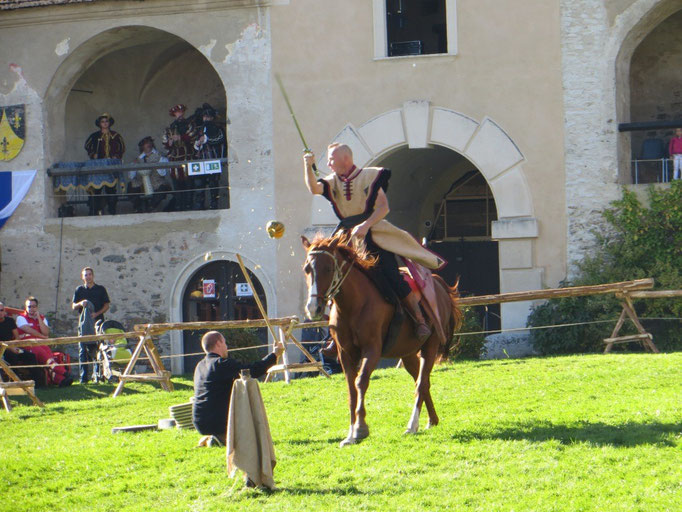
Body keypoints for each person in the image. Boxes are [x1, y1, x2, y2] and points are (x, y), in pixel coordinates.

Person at [303, 143, 447, 344]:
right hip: (346, 237)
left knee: (390, 274)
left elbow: (383, 208)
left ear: (345, 159)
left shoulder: (371, 176)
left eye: (331, 159)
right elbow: (314, 188)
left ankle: (419, 320)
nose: (328, 163)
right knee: (334, 279)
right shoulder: (332, 181)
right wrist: (308, 166)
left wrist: (365, 225)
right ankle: (333, 336)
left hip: (373, 232)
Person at [192, 331, 284, 445]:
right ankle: (219, 438)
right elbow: (251, 370)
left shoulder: (199, 366)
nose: (226, 347)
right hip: (216, 421)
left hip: (199, 422)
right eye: (225, 343)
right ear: (219, 343)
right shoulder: (221, 364)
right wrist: (274, 355)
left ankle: (214, 437)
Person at [16, 297, 72, 387]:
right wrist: (42, 337)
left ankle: (61, 380)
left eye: (34, 307)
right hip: (27, 344)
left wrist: (38, 318)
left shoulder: (42, 318)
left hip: (41, 343)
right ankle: (65, 373)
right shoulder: (21, 318)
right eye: (29, 307)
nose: (31, 309)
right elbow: (28, 330)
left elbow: (46, 332)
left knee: (50, 357)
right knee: (44, 355)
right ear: (26, 307)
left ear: (37, 307)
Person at [72, 267, 110, 384]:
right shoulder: (79, 290)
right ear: (82, 277)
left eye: (89, 274)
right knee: (83, 351)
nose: (88, 277)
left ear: (93, 276)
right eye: (85, 275)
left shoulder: (100, 289)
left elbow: (107, 305)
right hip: (83, 325)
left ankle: (97, 376)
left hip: (97, 324)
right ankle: (83, 378)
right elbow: (73, 306)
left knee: (97, 350)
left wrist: (96, 314)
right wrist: (80, 303)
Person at [84, 113, 125, 215]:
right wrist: (93, 154)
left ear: (110, 123)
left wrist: (116, 156)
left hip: (111, 166)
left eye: (106, 121)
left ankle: (112, 211)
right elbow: (87, 145)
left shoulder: (116, 135)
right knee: (97, 189)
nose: (105, 123)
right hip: (98, 166)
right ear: (99, 124)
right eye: (102, 122)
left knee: (111, 189)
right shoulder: (95, 136)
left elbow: (122, 148)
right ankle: (95, 211)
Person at [0, 301, 45, 386]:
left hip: (13, 346)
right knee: (12, 356)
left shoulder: (9, 321)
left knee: (31, 356)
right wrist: (10, 348)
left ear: (4, 311)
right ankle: (16, 383)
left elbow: (17, 337)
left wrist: (14, 347)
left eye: (2, 310)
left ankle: (38, 383)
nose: (0, 312)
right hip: (2, 350)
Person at [163, 104, 195, 211]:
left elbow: (192, 135)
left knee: (189, 183)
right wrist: (170, 142)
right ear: (174, 114)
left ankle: (189, 205)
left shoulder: (189, 124)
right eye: (177, 112)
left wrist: (180, 137)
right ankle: (178, 205)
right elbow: (165, 142)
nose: (180, 114)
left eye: (181, 112)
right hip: (175, 158)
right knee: (177, 183)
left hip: (187, 156)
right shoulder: (170, 127)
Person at [193, 103, 226, 209]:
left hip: (213, 159)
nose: (206, 119)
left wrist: (207, 139)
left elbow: (220, 139)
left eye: (208, 117)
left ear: (212, 117)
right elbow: (195, 142)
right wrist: (197, 144)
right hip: (201, 159)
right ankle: (200, 205)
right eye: (204, 116)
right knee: (199, 182)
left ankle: (214, 204)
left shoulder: (218, 128)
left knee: (213, 183)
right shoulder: (200, 129)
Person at [128, 136, 171, 213]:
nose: (148, 145)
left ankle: (151, 207)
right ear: (142, 147)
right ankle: (138, 208)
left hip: (157, 181)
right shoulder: (138, 159)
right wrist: (135, 165)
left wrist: (155, 165)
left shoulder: (160, 156)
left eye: (149, 142)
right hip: (142, 183)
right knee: (131, 186)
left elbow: (163, 173)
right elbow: (131, 176)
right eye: (145, 143)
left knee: (162, 188)